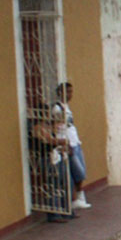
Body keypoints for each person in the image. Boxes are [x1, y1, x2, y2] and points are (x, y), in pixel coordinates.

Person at [53, 82, 91, 210]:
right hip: (68, 143)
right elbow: (58, 127)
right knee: (77, 171)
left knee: (81, 170)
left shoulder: (66, 107)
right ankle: (77, 198)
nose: (70, 95)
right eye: (67, 92)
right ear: (60, 93)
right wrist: (64, 143)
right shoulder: (57, 108)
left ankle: (80, 196)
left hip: (75, 142)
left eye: (71, 92)